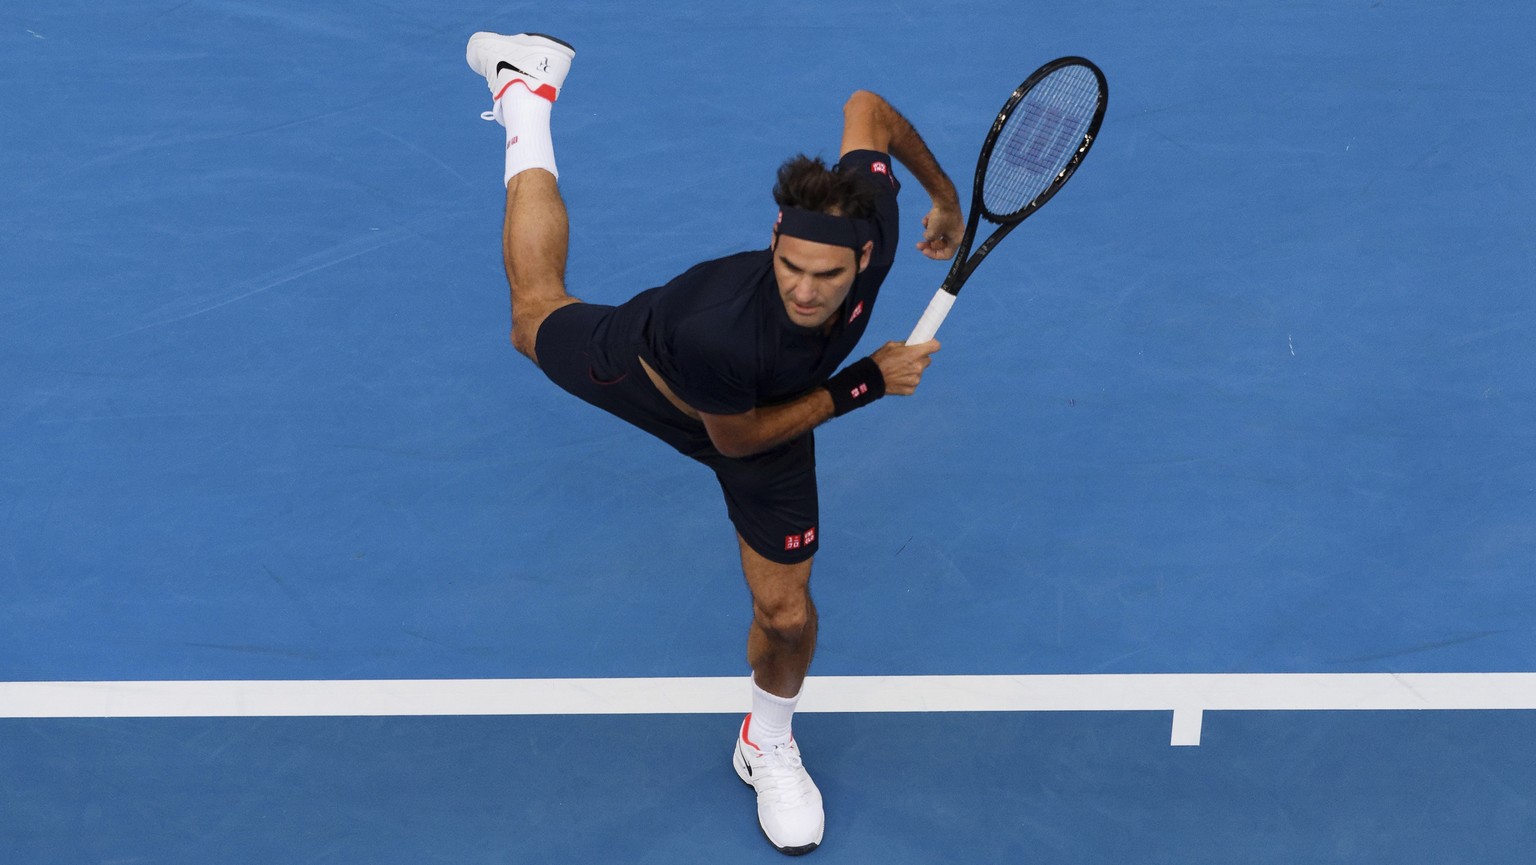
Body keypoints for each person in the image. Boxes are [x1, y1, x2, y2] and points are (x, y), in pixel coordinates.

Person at [466, 31, 962, 855]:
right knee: (533, 315)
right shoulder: (722, 333)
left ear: (865, 255)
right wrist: (867, 381)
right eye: (790, 265)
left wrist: (942, 196)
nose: (805, 289)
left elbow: (867, 110)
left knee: (787, 611)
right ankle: (526, 98)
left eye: (827, 276)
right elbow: (738, 440)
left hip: (770, 407)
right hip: (667, 380)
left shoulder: (870, 212)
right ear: (775, 238)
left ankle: (766, 739)